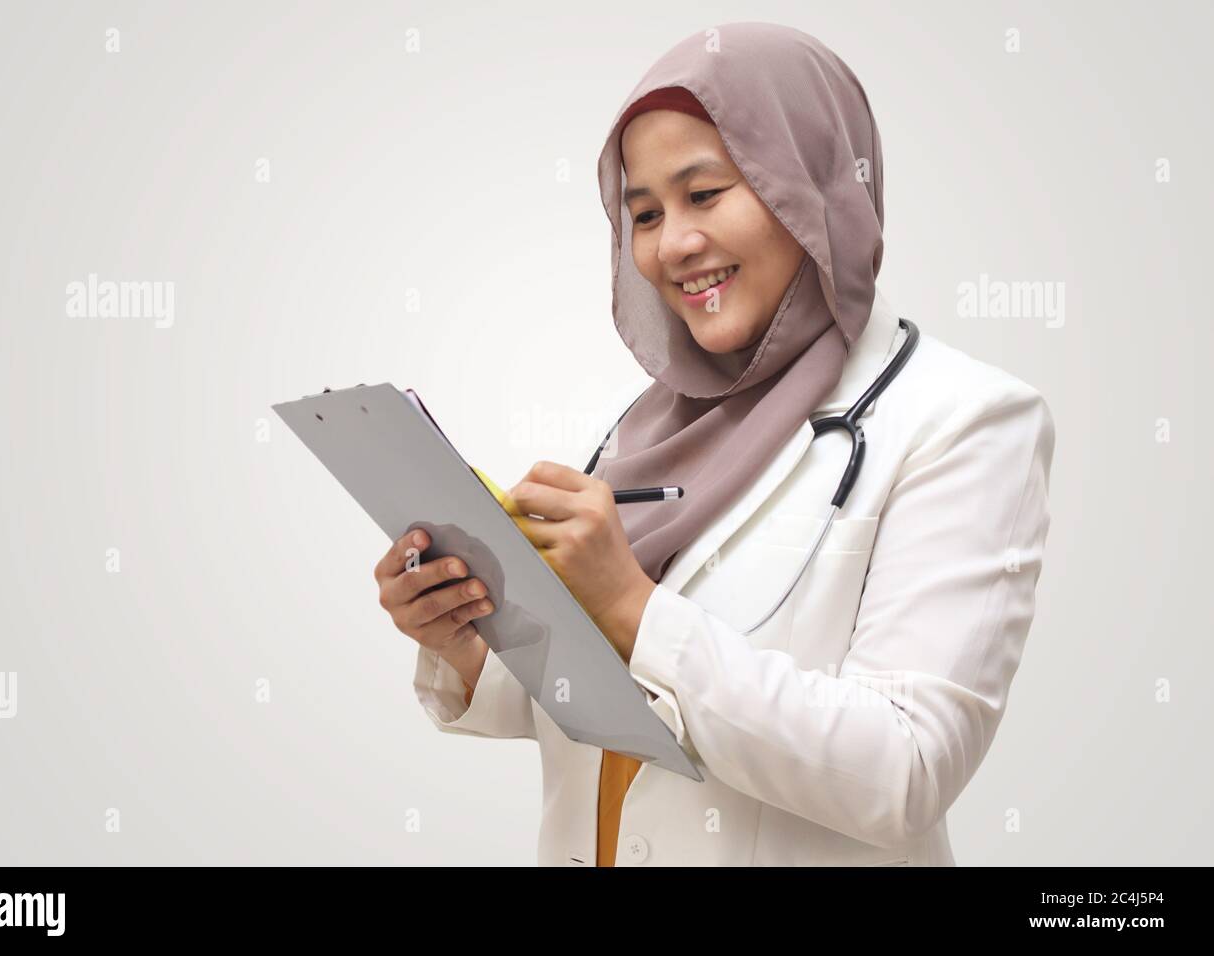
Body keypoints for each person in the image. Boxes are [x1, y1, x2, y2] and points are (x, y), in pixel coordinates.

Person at [378, 22, 1055, 866]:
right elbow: (594, 703)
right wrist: (464, 638)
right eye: (646, 213)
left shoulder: (963, 420)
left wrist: (631, 606)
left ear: (812, 185)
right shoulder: (650, 426)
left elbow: (904, 770)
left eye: (706, 194)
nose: (673, 246)